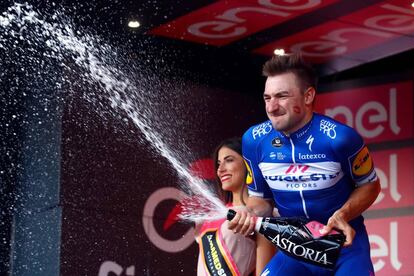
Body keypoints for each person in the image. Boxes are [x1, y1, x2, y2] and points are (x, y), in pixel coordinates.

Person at [228, 53, 381, 275]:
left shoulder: (340, 138)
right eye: (267, 98)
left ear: (308, 96)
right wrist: (247, 210)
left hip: (344, 247)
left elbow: (371, 186)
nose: (272, 107)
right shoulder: (254, 140)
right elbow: (262, 201)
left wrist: (343, 214)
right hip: (294, 248)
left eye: (282, 96)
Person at [196, 137, 275, 276]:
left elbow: (265, 272)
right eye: (218, 164)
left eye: (229, 160)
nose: (220, 170)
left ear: (248, 164)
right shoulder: (213, 215)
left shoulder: (264, 213)